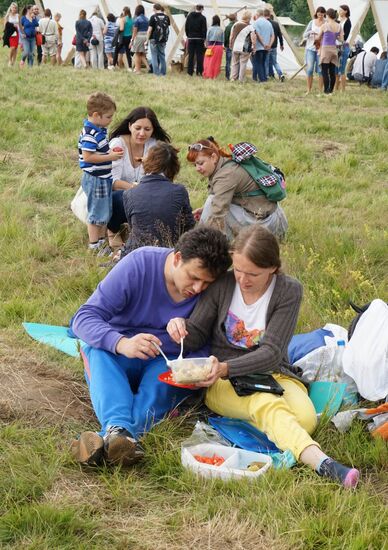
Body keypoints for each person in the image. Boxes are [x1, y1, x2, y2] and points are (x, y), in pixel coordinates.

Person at [167, 225, 360, 488]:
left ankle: (253, 423)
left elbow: (272, 353)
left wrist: (224, 366)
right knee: (266, 405)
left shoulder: (289, 291)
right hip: (222, 382)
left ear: (273, 268)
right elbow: (198, 333)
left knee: (306, 419)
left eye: (253, 274)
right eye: (238, 270)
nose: (243, 280)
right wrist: (179, 328)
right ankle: (324, 464)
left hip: (272, 372)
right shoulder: (223, 284)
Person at [70, 226, 231, 467]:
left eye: (206, 283)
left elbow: (213, 339)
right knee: (98, 352)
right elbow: (84, 317)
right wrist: (121, 343)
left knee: (159, 386)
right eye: (194, 277)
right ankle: (122, 437)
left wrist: (199, 367)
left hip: (169, 362)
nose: (198, 289)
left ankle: (114, 435)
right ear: (177, 258)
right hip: (119, 352)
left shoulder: (215, 289)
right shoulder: (139, 264)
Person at [186, 138, 287, 241]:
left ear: (213, 157)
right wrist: (204, 210)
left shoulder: (225, 175)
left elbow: (218, 213)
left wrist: (198, 239)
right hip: (274, 218)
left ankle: (205, 246)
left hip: (269, 228)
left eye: (201, 163)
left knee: (213, 208)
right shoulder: (226, 163)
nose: (197, 168)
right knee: (211, 205)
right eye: (195, 165)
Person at [108, 107, 171, 253]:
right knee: (116, 197)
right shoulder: (118, 144)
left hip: (145, 195)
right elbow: (112, 182)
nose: (142, 133)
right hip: (119, 196)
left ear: (153, 130)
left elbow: (160, 178)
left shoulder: (154, 146)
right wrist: (137, 188)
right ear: (130, 126)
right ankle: (112, 230)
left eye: (147, 129)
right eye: (138, 128)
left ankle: (142, 234)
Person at [122, 141, 195, 254]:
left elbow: (134, 227)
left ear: (147, 163)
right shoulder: (179, 191)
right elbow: (189, 226)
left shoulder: (129, 193)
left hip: (137, 253)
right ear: (174, 167)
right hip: (170, 253)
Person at [78, 92, 124, 255]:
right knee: (96, 212)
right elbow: (88, 157)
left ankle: (102, 241)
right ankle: (94, 245)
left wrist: (110, 151)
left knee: (104, 210)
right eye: (108, 117)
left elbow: (99, 151)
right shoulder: (91, 134)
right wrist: (110, 156)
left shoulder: (99, 130)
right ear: (96, 115)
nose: (111, 120)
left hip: (103, 178)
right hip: (96, 179)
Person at [317, 8, 343, 95]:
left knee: (324, 71)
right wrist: (335, 36)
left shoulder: (325, 25)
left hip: (325, 49)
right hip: (334, 49)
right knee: (332, 71)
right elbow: (341, 39)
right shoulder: (339, 26)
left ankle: (326, 91)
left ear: (327, 15)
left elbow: (318, 37)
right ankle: (331, 91)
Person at [303, 6, 326, 94]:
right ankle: (309, 90)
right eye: (319, 13)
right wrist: (310, 32)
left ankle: (320, 91)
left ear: (324, 14)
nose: (320, 15)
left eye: (322, 13)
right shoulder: (311, 22)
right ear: (316, 13)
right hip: (310, 48)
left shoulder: (326, 23)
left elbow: (329, 36)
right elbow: (304, 35)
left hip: (321, 49)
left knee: (320, 70)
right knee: (309, 69)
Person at [230, 10, 256, 82]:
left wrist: (230, 44)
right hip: (245, 48)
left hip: (235, 47)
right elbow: (253, 38)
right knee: (243, 63)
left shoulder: (235, 24)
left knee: (234, 63)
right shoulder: (250, 27)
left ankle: (233, 78)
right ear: (249, 18)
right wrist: (254, 47)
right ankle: (241, 79)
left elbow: (231, 36)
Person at [146, 4, 170, 76]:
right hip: (163, 39)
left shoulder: (153, 17)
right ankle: (163, 73)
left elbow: (149, 30)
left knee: (154, 56)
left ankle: (156, 73)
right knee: (162, 55)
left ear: (155, 9)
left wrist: (147, 40)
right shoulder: (166, 17)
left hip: (154, 39)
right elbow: (167, 29)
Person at [252, 8, 274, 83]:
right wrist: (269, 45)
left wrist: (263, 44)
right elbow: (272, 36)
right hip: (267, 48)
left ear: (257, 14)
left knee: (258, 63)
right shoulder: (269, 23)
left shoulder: (256, 23)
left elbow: (258, 35)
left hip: (259, 47)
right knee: (263, 63)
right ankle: (265, 78)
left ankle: (262, 80)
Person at [185, 4, 207, 76]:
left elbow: (186, 27)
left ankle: (189, 72)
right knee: (199, 56)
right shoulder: (203, 18)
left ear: (195, 8)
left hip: (191, 38)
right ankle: (199, 72)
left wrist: (188, 35)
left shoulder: (189, 17)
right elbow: (204, 29)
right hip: (199, 39)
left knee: (191, 55)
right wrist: (204, 38)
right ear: (201, 9)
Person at [335, 5, 351, 92]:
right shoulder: (337, 20)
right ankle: (335, 88)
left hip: (343, 47)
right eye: (339, 10)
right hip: (335, 46)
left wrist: (335, 36)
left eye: (340, 10)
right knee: (335, 69)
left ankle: (343, 90)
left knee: (342, 69)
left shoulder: (347, 22)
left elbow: (345, 37)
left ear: (345, 11)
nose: (339, 11)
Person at [203, 15, 224, 79]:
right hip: (219, 47)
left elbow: (207, 38)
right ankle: (215, 75)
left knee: (208, 61)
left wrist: (206, 46)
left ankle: (208, 74)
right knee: (217, 62)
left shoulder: (210, 28)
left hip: (210, 46)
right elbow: (222, 40)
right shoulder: (221, 29)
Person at [131, 4, 149, 74]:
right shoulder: (147, 19)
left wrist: (132, 40)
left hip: (139, 36)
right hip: (145, 37)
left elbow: (134, 31)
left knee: (137, 54)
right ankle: (144, 68)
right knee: (142, 54)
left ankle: (138, 70)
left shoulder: (137, 19)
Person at [267, 13, 285, 81]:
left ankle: (270, 75)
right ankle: (280, 74)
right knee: (275, 62)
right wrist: (281, 44)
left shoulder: (266, 23)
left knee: (268, 62)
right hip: (274, 45)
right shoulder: (276, 24)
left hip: (267, 45)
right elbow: (280, 35)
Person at [4, 2, 19, 67]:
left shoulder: (18, 15)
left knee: (15, 48)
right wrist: (12, 25)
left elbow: (20, 25)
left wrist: (23, 32)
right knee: (12, 47)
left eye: (15, 8)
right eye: (13, 7)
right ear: (11, 8)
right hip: (10, 33)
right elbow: (5, 25)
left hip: (17, 33)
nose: (14, 9)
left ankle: (13, 62)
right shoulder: (8, 16)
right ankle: (10, 60)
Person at [224, 13, 237, 80]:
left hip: (229, 46)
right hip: (236, 46)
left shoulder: (228, 27)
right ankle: (235, 75)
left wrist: (225, 45)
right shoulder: (237, 26)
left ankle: (227, 76)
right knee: (235, 62)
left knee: (228, 62)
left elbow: (226, 37)